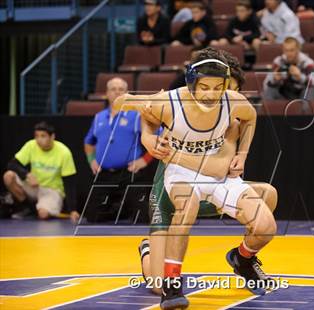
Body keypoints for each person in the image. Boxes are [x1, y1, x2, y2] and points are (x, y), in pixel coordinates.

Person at [114, 47, 277, 309]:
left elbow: (218, 166)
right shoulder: (173, 102)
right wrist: (147, 133)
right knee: (157, 282)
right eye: (206, 86)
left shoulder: (233, 113)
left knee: (267, 210)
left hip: (209, 178)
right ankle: (160, 267)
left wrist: (242, 154)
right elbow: (121, 103)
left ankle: (243, 258)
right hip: (170, 191)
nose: (213, 95)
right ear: (192, 83)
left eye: (221, 87)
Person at [83, 77, 155, 223]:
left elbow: (155, 138)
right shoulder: (99, 117)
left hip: (129, 173)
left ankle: (127, 208)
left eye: (121, 89)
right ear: (107, 93)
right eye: (113, 89)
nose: (117, 92)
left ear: (126, 93)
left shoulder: (137, 115)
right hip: (104, 174)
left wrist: (145, 160)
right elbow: (88, 142)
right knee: (92, 217)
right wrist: (92, 160)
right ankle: (120, 210)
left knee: (141, 217)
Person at [2, 122, 78, 222]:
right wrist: (26, 175)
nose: (39, 140)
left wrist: (72, 209)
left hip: (52, 190)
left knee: (43, 214)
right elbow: (12, 164)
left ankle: (39, 209)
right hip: (34, 186)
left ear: (52, 137)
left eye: (43, 136)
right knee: (8, 176)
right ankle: (27, 208)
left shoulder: (64, 152)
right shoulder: (31, 145)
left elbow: (69, 183)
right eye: (36, 136)